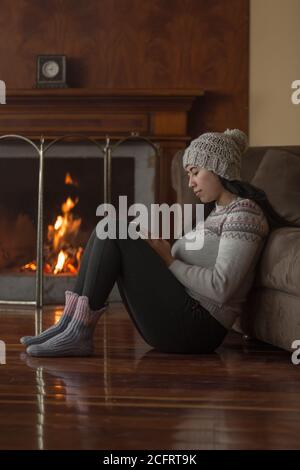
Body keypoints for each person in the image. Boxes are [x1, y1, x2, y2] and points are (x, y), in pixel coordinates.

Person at [20, 129, 288, 357]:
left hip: (198, 328)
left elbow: (222, 288)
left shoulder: (245, 214)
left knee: (114, 228)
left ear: (218, 168)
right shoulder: (216, 212)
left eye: (195, 172)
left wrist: (167, 259)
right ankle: (69, 324)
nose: (190, 182)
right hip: (184, 316)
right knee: (108, 228)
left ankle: (77, 332)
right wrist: (154, 250)